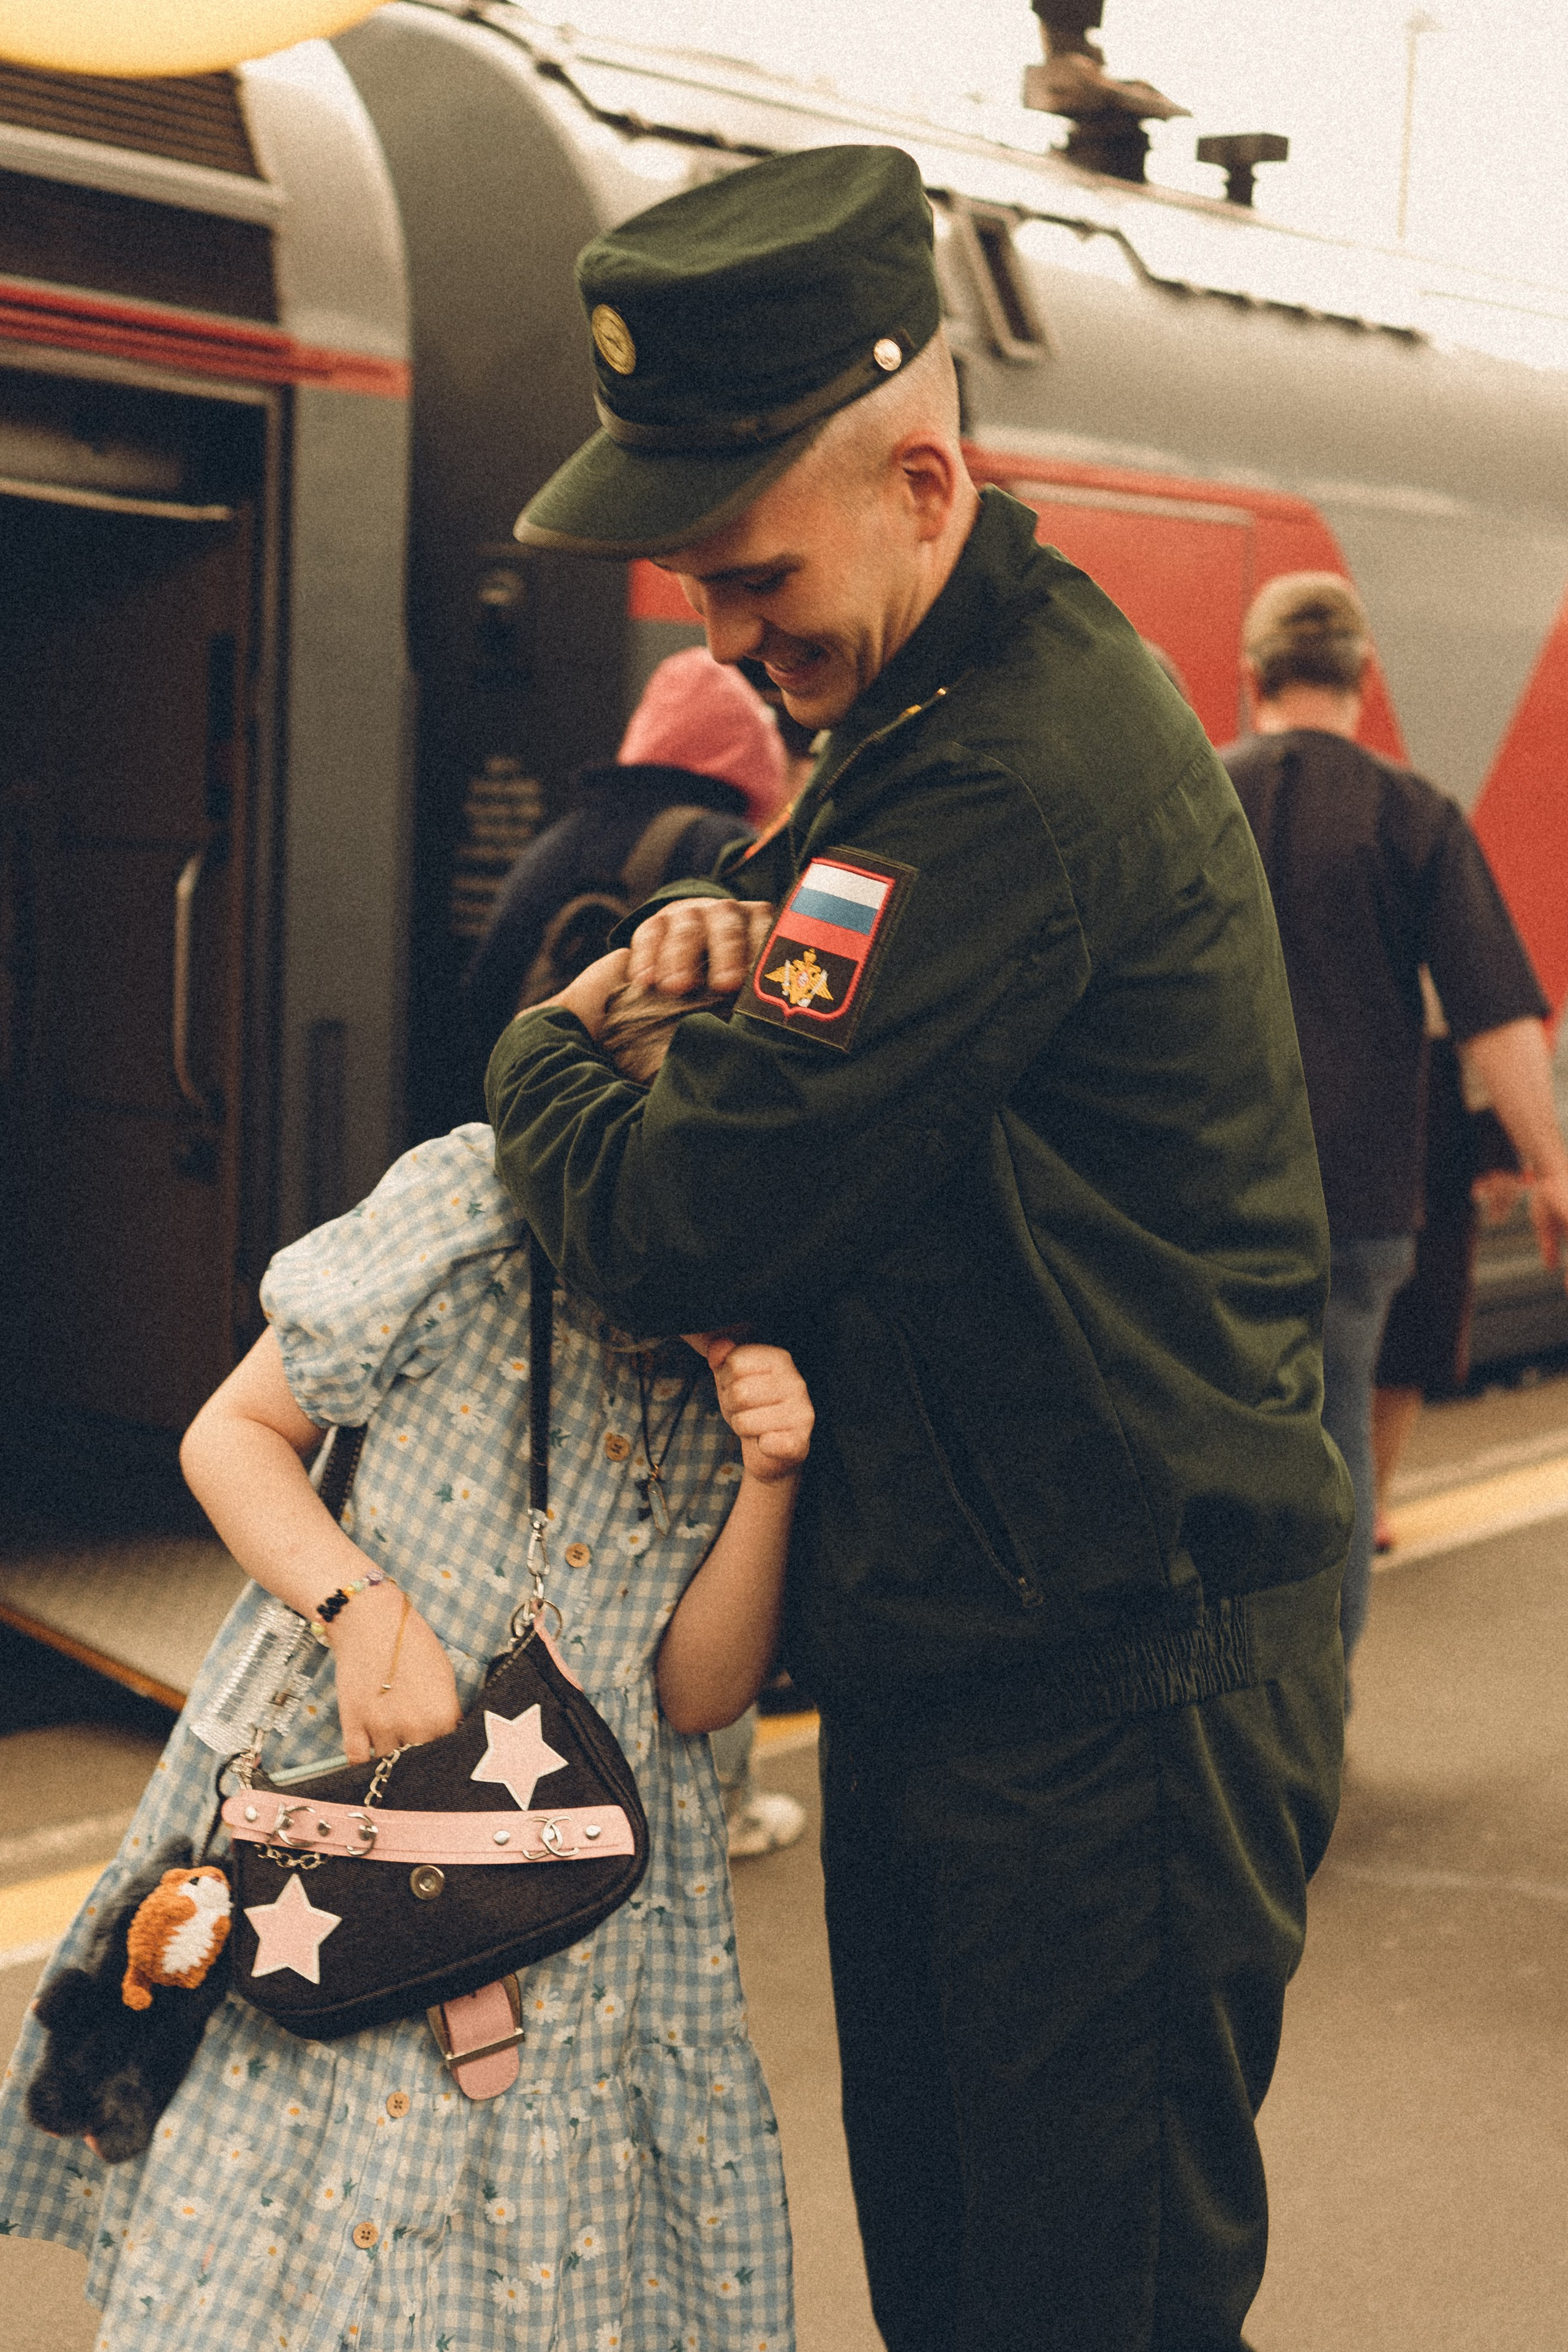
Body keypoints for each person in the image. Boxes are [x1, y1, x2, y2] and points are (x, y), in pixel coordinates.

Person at [483, 144, 1355, 2351]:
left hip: (1107, 1703)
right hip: (987, 1657)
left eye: (748, 573)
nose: (722, 634)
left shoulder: (998, 778)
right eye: (691, 591)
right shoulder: (914, 731)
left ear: (922, 479)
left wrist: (544, 1056)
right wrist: (740, 930)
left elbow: (698, 1211)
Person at [0, 975, 808, 2352]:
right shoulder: (472, 1215)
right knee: (288, 2268)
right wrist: (360, 1606)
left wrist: (771, 1473)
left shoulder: (774, 1338)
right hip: (341, 1821)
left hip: (584, 1902)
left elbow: (699, 1697)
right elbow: (232, 1434)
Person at [464, 644, 806, 1859]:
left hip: (530, 1205)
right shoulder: (715, 855)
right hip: (643, 1214)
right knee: (694, 1518)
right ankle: (702, 1800)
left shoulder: (552, 844)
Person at [1222, 573, 1568, 1670]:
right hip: (1361, 1198)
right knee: (1338, 1448)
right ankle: (1316, 1713)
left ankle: (1218, 1704)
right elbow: (1496, 1017)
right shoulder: (1412, 813)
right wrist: (1552, 1168)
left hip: (1208, 1199)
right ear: (1363, 683)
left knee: (1216, 1449)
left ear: (1253, 678)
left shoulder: (1198, 795)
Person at [461, 644, 788, 1049]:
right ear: (752, 751)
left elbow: (486, 989)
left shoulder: (557, 840)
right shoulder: (726, 840)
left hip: (540, 1076)